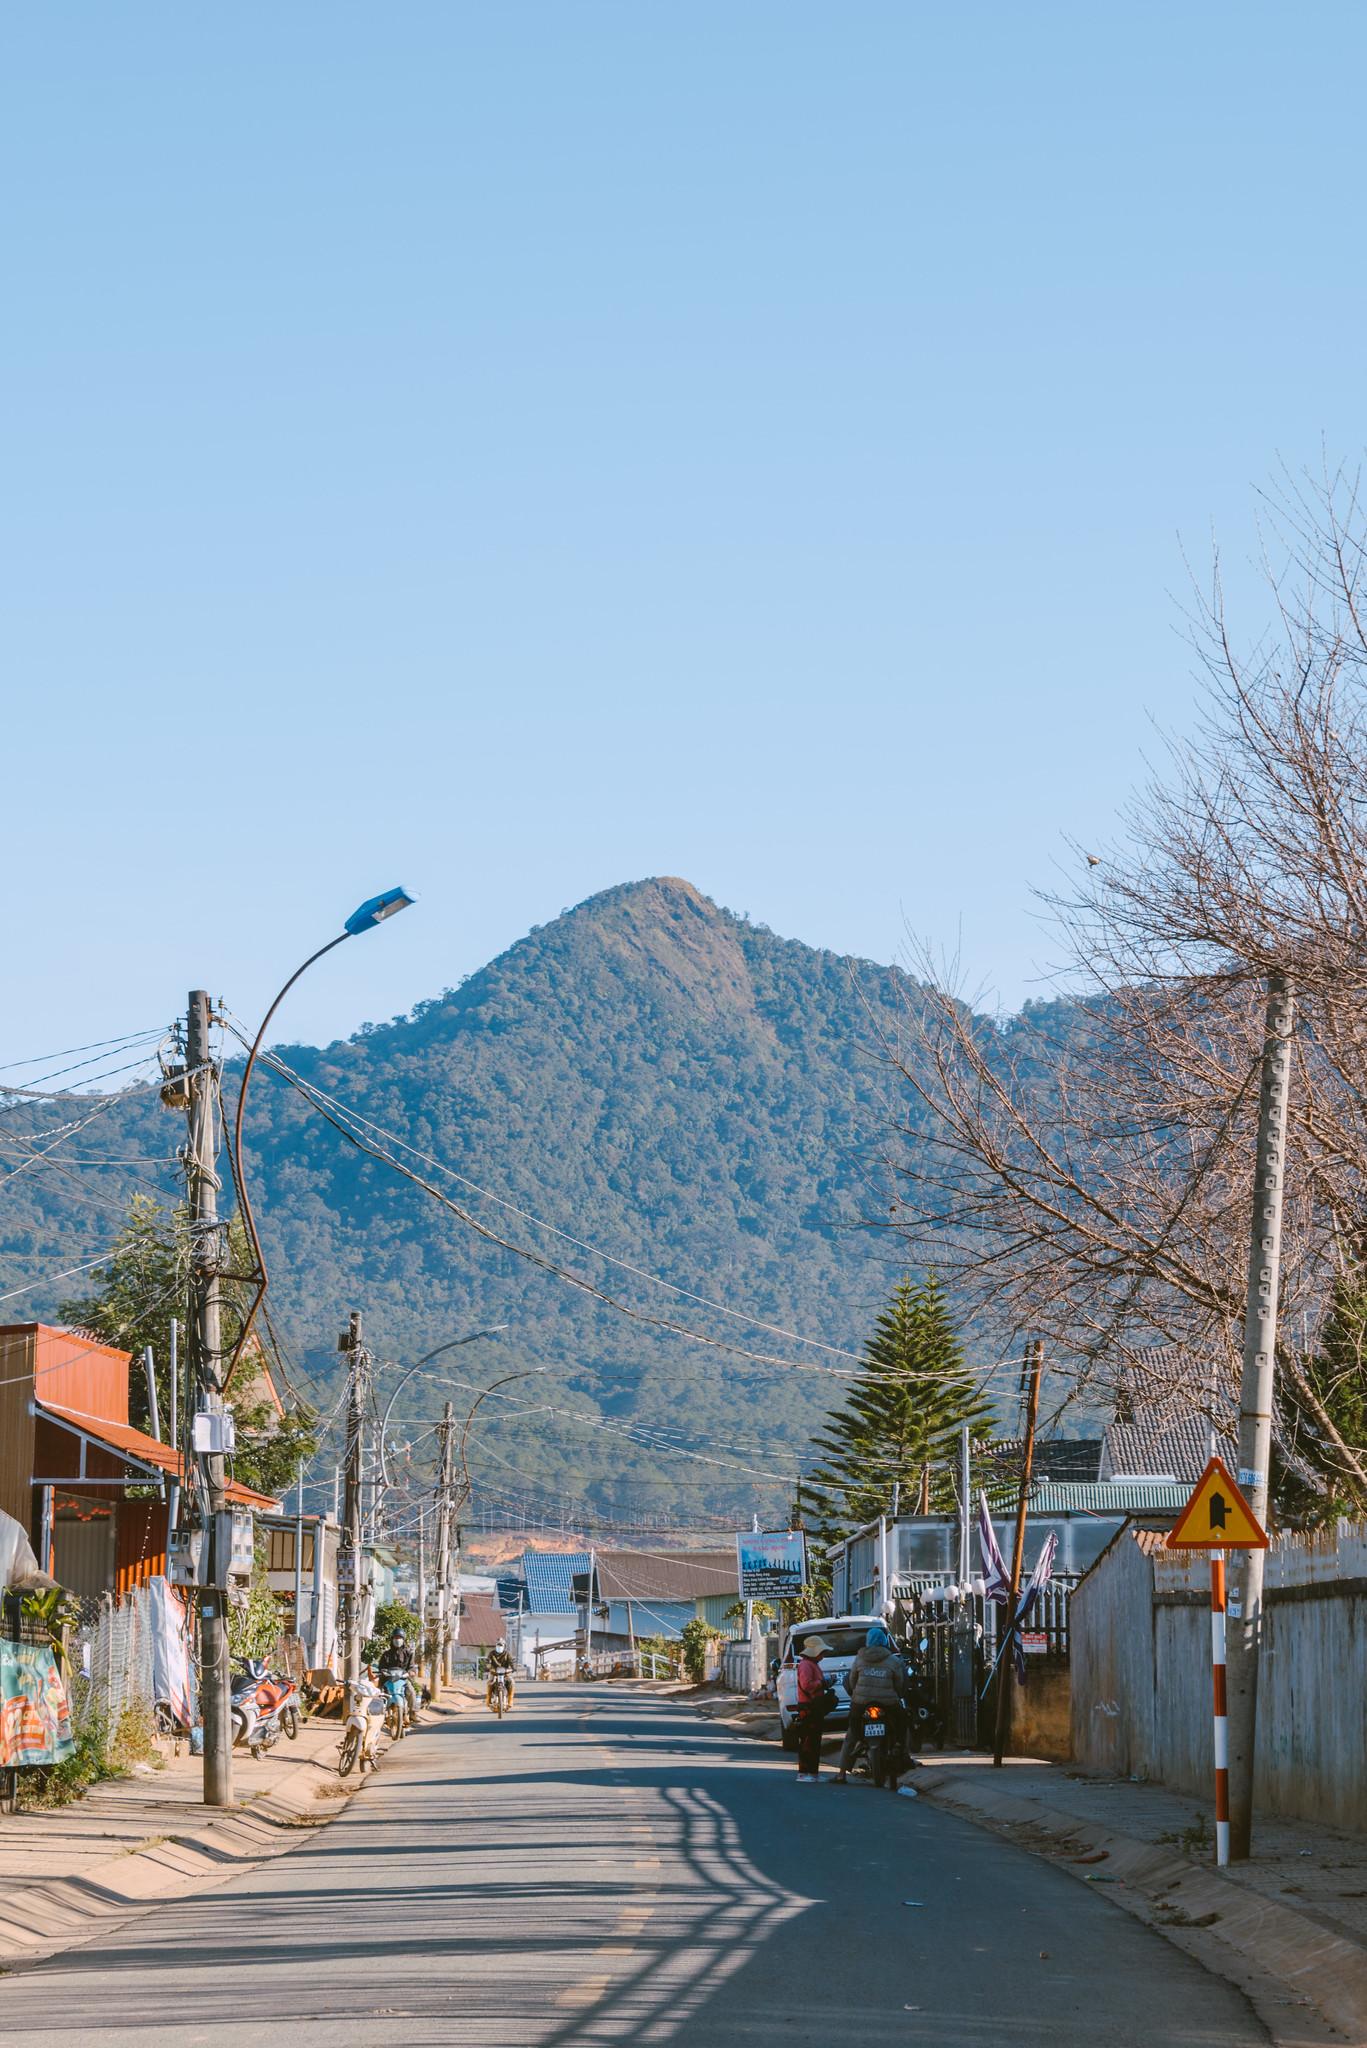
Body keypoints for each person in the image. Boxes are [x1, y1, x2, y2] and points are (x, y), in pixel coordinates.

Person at [833, 1624, 908, 1784]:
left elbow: (852, 1681)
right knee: (901, 1724)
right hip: (888, 1702)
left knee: (851, 1735)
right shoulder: (893, 1660)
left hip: (861, 1702)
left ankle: (841, 1774)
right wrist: (896, 1694)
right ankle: (902, 1750)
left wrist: (856, 1694)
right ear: (884, 1641)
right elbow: (900, 1683)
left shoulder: (859, 1658)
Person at [793, 1635, 833, 1782]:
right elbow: (807, 1685)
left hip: (814, 1707)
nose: (823, 1655)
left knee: (814, 1742)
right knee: (808, 1742)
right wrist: (823, 1683)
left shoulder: (812, 1664)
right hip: (808, 1707)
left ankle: (813, 1774)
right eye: (822, 1652)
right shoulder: (806, 1665)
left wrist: (826, 1683)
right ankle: (804, 1773)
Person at [378, 1630, 418, 1724]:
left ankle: (412, 1713)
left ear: (403, 1640)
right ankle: (379, 1713)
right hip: (388, 1679)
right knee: (379, 1694)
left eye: (399, 1638)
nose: (397, 1640)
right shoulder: (386, 1654)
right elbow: (381, 1667)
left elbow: (412, 1667)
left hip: (403, 1679)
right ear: (392, 1639)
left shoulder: (409, 1653)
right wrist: (383, 1671)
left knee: (411, 1692)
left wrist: (411, 1672)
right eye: (395, 1638)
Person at [486, 1638, 516, 1709]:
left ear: (504, 1646)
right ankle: (488, 1699)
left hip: (505, 1673)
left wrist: (513, 1667)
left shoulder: (507, 1654)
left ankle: (510, 1700)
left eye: (501, 1645)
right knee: (489, 1683)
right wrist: (488, 1667)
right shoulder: (491, 1653)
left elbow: (511, 1662)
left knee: (511, 1682)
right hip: (494, 1673)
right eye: (498, 1645)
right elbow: (488, 1662)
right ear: (495, 1645)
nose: (499, 1647)